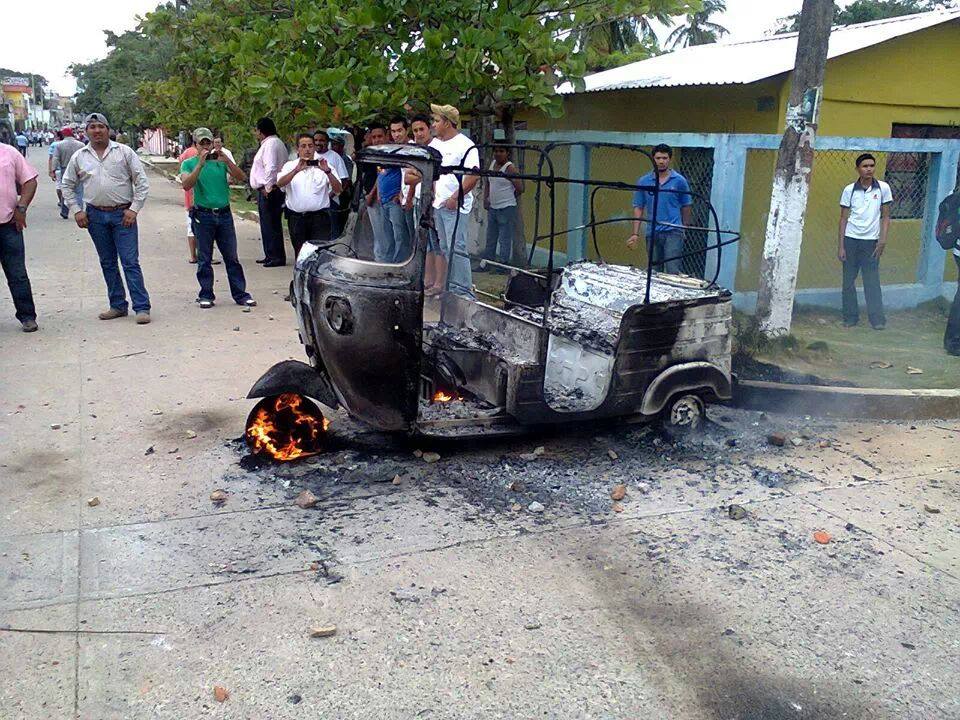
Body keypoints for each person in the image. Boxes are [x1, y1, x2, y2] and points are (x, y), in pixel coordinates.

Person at [62, 112, 152, 324]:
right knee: (108, 262)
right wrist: (76, 209)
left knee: (130, 262)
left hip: (124, 216)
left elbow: (141, 182)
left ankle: (141, 307)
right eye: (92, 127)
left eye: (101, 126)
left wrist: (134, 209)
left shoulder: (124, 152)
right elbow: (67, 184)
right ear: (86, 131)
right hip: (94, 216)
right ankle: (118, 305)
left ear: (108, 129)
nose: (97, 130)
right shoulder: (80, 156)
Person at [180, 127, 257, 310]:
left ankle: (240, 294)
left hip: (224, 214)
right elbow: (186, 184)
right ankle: (206, 294)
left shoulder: (221, 161)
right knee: (204, 258)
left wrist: (228, 162)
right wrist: (200, 164)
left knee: (231, 256)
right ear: (196, 145)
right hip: (203, 214)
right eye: (202, 143)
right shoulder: (189, 163)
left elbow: (241, 177)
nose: (206, 146)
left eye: (209, 142)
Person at [428, 104, 479, 297]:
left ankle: (464, 292)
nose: (434, 124)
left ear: (447, 123)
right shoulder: (434, 145)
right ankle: (453, 288)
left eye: (437, 120)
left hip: (455, 206)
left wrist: (455, 197)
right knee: (445, 247)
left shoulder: (465, 145)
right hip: (438, 204)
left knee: (457, 247)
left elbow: (473, 176)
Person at [839, 153, 892, 330]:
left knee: (872, 282)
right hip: (851, 240)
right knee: (848, 282)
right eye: (865, 166)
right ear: (857, 169)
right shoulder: (849, 190)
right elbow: (843, 219)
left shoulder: (883, 188)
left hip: (871, 242)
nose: (869, 169)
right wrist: (841, 246)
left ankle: (877, 320)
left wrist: (882, 240)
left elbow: (885, 216)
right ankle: (850, 317)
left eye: (871, 165)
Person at [627, 144, 692, 275]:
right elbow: (638, 207)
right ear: (653, 159)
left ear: (669, 159)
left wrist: (684, 227)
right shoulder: (644, 181)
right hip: (652, 231)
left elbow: (687, 206)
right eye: (658, 158)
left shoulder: (679, 181)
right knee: (654, 271)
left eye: (664, 158)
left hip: (673, 230)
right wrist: (635, 233)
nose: (661, 161)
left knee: (672, 269)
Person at [277, 133, 342, 258]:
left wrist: (327, 172)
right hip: (297, 218)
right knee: (300, 254)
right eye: (303, 146)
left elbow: (338, 189)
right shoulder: (290, 166)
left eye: (310, 146)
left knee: (318, 254)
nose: (307, 149)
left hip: (320, 218)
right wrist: (296, 170)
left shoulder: (325, 165)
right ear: (298, 149)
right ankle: (300, 277)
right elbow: (280, 184)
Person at [0, 141, 39, 331]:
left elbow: (29, 180)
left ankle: (27, 316)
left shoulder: (9, 153)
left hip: (8, 225)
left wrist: (21, 207)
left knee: (17, 274)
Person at [249, 117, 289, 266]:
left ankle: (275, 256)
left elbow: (271, 167)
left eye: (257, 130)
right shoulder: (272, 143)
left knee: (271, 223)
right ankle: (270, 253)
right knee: (267, 223)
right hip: (269, 189)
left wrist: (268, 187)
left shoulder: (271, 144)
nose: (256, 133)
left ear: (261, 131)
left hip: (271, 190)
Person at [482, 140, 522, 266]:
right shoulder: (493, 164)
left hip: (506, 208)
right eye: (496, 151)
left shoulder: (509, 168)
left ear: (507, 153)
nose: (498, 154)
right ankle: (488, 262)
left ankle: (503, 265)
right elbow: (488, 182)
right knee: (491, 237)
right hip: (493, 207)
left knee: (504, 239)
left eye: (501, 151)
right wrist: (486, 198)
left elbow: (520, 188)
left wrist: (508, 197)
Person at [312, 129, 350, 236]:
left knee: (332, 232)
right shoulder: (309, 155)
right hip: (312, 201)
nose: (318, 143)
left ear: (327, 142)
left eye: (321, 140)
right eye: (315, 140)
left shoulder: (335, 157)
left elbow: (344, 181)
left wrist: (330, 195)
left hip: (330, 202)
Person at [362, 123, 389, 255]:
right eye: (374, 137)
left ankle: (382, 261)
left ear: (386, 136)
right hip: (370, 197)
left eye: (380, 136)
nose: (377, 139)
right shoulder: (372, 153)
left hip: (379, 198)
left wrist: (372, 194)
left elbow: (381, 176)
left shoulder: (387, 155)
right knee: (377, 235)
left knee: (383, 236)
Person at [49, 127, 84, 219]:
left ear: (64, 134)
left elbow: (55, 158)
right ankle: (79, 211)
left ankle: (65, 211)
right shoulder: (80, 144)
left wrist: (52, 170)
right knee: (79, 190)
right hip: (79, 168)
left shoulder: (59, 145)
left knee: (66, 190)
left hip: (65, 169)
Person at [178, 137, 199, 263]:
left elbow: (180, 168)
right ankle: (208, 256)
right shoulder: (203, 154)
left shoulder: (186, 154)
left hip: (189, 197)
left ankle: (193, 256)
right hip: (200, 197)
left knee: (191, 228)